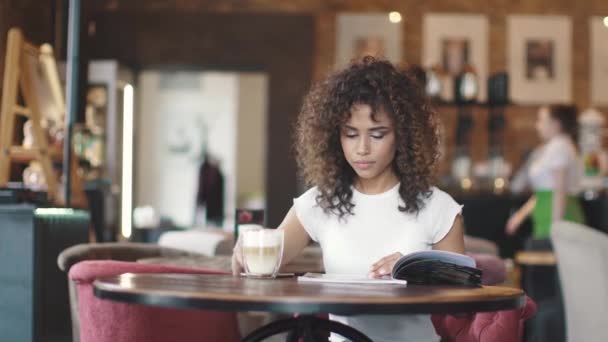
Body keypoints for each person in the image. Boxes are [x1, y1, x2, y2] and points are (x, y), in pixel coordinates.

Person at [232, 56, 465, 342]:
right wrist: (250, 248)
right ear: (334, 136)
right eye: (351, 134)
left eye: (378, 135)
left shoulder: (438, 208)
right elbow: (271, 259)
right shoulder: (321, 201)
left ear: (403, 136)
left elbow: (463, 302)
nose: (362, 149)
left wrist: (417, 271)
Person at [505, 104, 585, 239]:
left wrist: (556, 227)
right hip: (545, 217)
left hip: (558, 217)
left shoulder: (560, 146)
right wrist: (520, 216)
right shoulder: (554, 147)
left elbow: (560, 190)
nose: (538, 126)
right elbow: (543, 192)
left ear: (556, 124)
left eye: (541, 120)